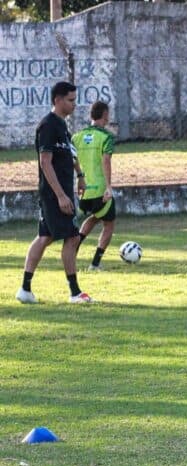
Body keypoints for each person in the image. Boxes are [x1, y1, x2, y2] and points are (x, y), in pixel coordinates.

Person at [16, 81, 93, 304]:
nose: (74, 105)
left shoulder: (61, 126)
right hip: (53, 194)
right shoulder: (48, 126)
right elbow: (45, 162)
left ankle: (25, 289)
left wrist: (80, 175)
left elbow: (70, 153)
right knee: (71, 238)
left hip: (60, 192)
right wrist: (60, 195)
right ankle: (75, 292)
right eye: (70, 100)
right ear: (57, 100)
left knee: (44, 237)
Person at [74, 101, 116, 271]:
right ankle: (95, 263)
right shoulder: (106, 137)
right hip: (100, 190)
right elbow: (106, 160)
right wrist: (109, 187)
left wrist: (78, 179)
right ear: (105, 114)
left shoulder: (76, 137)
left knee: (94, 217)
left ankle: (74, 247)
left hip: (83, 190)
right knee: (109, 224)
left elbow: (72, 160)